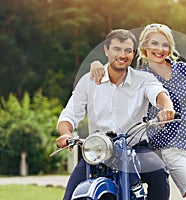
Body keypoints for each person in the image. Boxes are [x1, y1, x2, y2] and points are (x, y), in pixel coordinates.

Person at [90, 24, 186, 200]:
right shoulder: (139, 77)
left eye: (165, 44)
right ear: (144, 47)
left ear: (170, 47)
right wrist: (96, 64)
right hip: (173, 150)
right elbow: (115, 72)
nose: (160, 49)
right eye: (155, 44)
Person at [56, 29, 175, 200]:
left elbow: (158, 94)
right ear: (106, 50)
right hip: (98, 151)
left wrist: (166, 109)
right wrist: (66, 133)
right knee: (71, 195)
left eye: (128, 50)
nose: (122, 54)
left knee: (159, 174)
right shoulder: (88, 81)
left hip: (136, 148)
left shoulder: (143, 80)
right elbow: (69, 114)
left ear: (134, 54)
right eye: (117, 49)